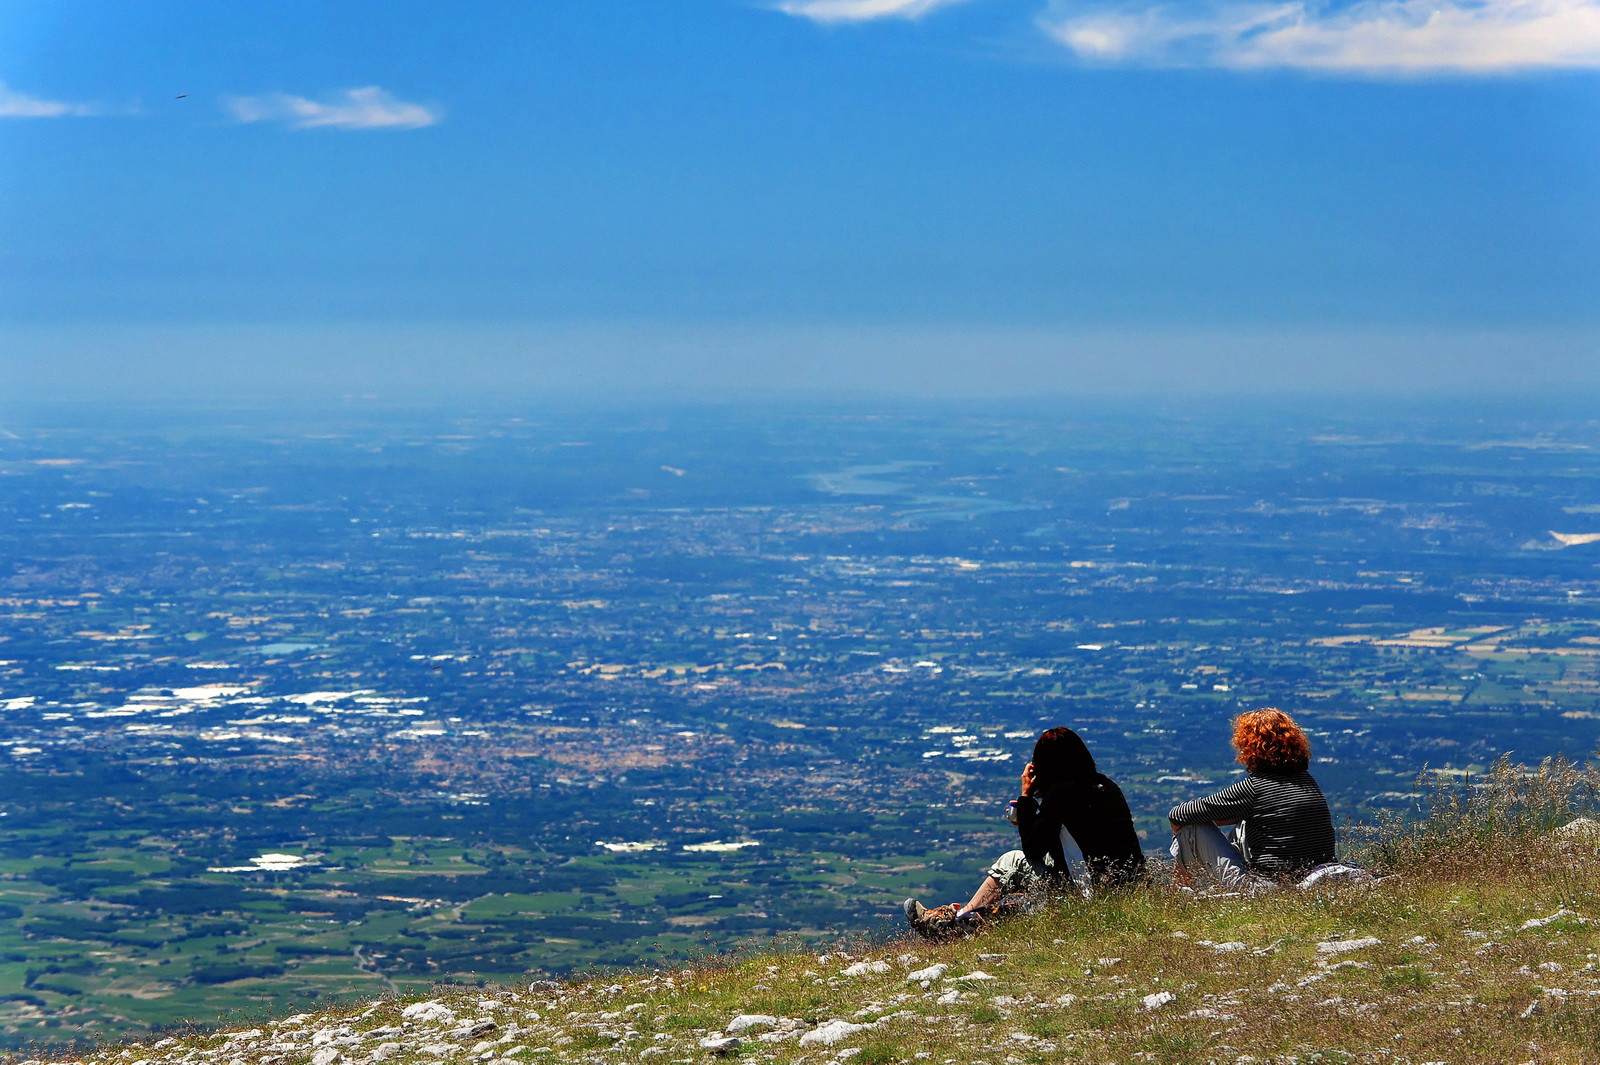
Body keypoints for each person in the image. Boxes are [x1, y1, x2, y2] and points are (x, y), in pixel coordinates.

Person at [903, 726, 1145, 939]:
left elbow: (1032, 849)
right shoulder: (1108, 787)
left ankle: (955, 925)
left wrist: (1026, 796)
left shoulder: (1062, 795)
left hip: (1091, 894)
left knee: (1012, 860)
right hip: (1129, 889)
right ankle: (966, 917)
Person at [1168, 707, 1336, 892]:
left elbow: (1179, 815)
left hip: (1266, 888)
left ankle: (1180, 893)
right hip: (1315, 880)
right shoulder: (1307, 781)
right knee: (1242, 824)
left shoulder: (1255, 787)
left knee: (1190, 827)